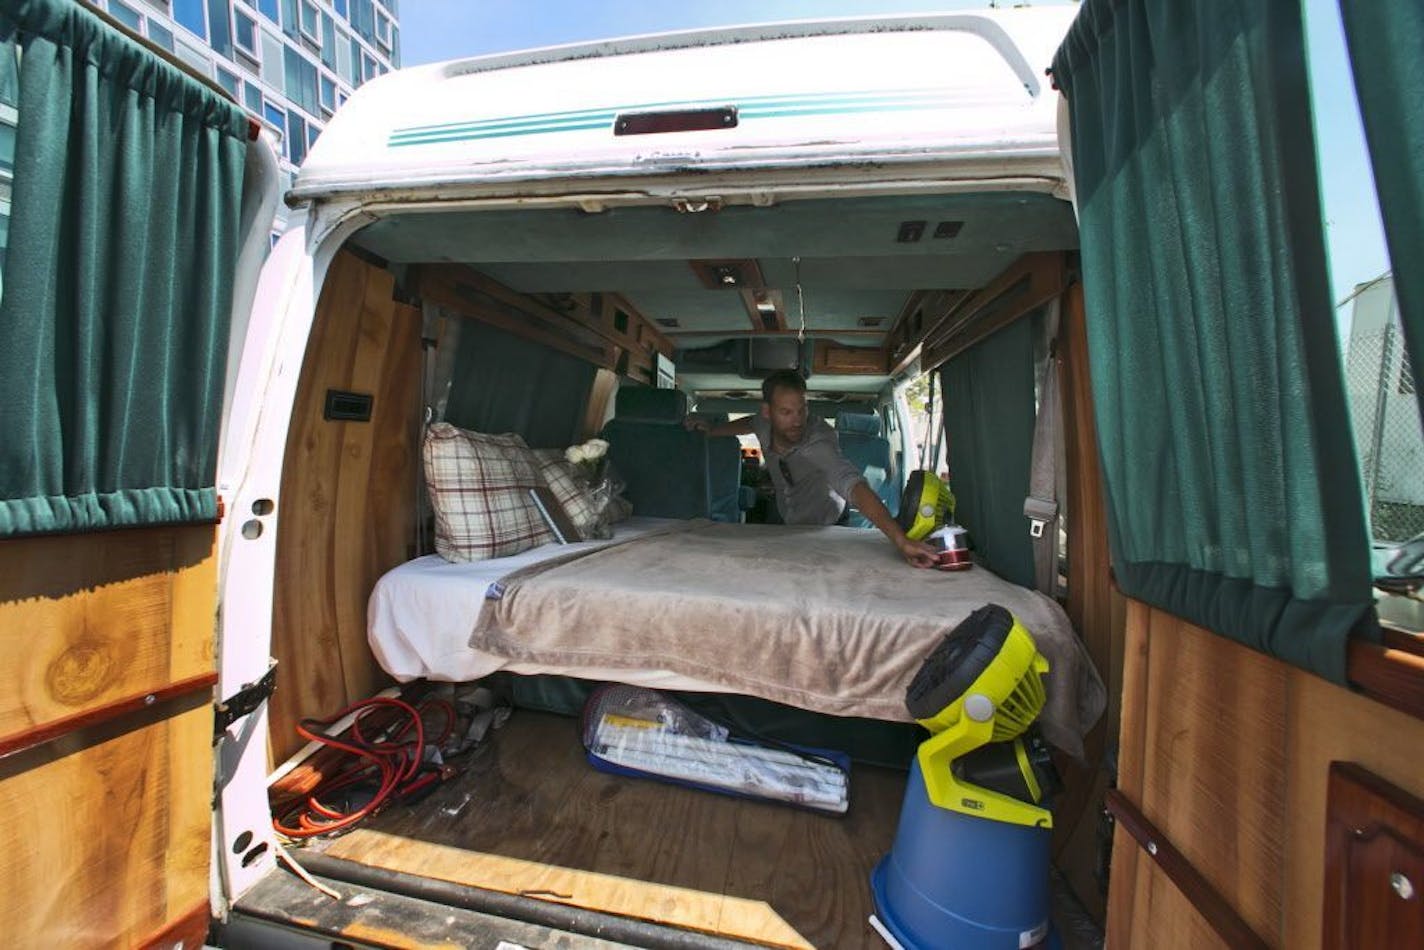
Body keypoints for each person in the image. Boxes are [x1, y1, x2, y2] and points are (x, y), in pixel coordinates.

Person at [686, 370, 938, 568]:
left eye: (801, 410)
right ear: (768, 411)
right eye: (786, 412)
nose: (797, 421)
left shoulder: (819, 442)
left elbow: (853, 485)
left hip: (827, 524)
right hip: (787, 516)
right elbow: (750, 423)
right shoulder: (762, 423)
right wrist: (713, 430)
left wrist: (901, 540)